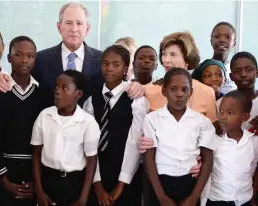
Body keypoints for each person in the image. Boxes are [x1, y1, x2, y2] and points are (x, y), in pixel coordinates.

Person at [0, 3, 144, 106]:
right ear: (59, 27)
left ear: (87, 29)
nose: (74, 29)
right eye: (68, 23)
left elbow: (121, 84)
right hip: (50, 139)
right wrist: (0, 77)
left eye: (79, 23)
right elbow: (21, 80)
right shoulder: (40, 59)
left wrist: (136, 84)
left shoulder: (104, 61)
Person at [0, 36, 49, 206]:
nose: (24, 60)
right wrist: (3, 180)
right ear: (9, 58)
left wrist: (37, 181)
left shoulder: (44, 95)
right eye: (19, 55)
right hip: (3, 173)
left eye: (30, 56)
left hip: (33, 174)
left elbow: (46, 140)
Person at [84, 45, 147, 206]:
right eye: (105, 64)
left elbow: (135, 141)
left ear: (125, 69)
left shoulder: (136, 100)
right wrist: (96, 183)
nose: (109, 69)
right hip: (97, 173)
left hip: (127, 173)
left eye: (116, 65)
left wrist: (121, 184)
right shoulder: (92, 100)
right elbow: (88, 144)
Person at [144, 68, 217, 206]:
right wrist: (161, 197)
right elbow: (149, 158)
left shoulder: (202, 122)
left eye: (185, 89)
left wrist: (194, 197)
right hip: (160, 183)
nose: (179, 94)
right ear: (164, 91)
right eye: (173, 89)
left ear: (191, 92)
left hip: (190, 183)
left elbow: (208, 160)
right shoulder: (152, 119)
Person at [31, 70, 100, 206]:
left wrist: (83, 198)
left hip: (74, 183)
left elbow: (91, 160)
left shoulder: (87, 122)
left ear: (78, 94)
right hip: (48, 180)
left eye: (64, 88)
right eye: (57, 86)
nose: (57, 91)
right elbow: (36, 154)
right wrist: (39, 190)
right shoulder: (44, 116)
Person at [207, 91, 258, 206]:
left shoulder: (253, 142)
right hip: (217, 200)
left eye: (230, 113)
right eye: (220, 111)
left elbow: (254, 170)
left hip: (245, 200)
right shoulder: (214, 139)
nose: (223, 117)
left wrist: (253, 197)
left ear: (245, 117)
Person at [216, 52, 258, 131]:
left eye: (248, 70)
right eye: (237, 71)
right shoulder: (221, 103)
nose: (243, 74)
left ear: (257, 73)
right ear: (231, 77)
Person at [211, 22, 237, 94]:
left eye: (228, 37)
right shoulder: (201, 69)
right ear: (211, 41)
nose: (222, 40)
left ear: (234, 43)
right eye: (217, 36)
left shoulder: (237, 70)